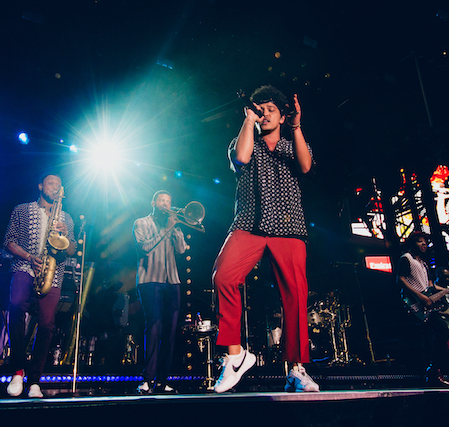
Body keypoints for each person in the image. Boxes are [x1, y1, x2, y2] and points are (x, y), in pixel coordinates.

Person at [212, 85, 319, 393]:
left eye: (270, 109)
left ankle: (297, 369)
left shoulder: (292, 143)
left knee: (295, 294)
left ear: (283, 115)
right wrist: (248, 120)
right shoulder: (245, 140)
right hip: (249, 223)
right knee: (223, 277)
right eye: (259, 109)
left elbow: (306, 165)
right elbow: (241, 157)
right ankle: (235, 356)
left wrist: (297, 126)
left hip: (288, 227)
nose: (264, 113)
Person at [4, 173, 76, 398]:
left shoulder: (66, 217)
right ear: (40, 186)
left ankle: (35, 380)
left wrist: (64, 233)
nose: (55, 187)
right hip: (25, 267)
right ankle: (17, 370)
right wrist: (28, 256)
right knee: (16, 307)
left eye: (58, 185)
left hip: (52, 273)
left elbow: (72, 249)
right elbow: (8, 241)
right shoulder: (22, 210)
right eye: (51, 183)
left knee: (47, 325)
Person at [133, 190, 187, 394]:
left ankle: (163, 381)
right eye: (162, 201)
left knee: (170, 332)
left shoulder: (172, 225)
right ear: (153, 202)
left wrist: (177, 229)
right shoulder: (141, 223)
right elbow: (144, 248)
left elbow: (181, 250)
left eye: (169, 201)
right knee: (154, 328)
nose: (166, 204)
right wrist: (166, 229)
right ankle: (147, 379)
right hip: (150, 281)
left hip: (172, 281)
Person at [397, 232, 449, 387]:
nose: (423, 244)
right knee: (440, 330)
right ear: (412, 243)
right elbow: (400, 279)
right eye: (420, 241)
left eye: (425, 242)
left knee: (436, 334)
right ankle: (432, 371)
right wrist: (420, 297)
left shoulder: (425, 264)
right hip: (415, 303)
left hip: (427, 304)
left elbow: (431, 287)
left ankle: (434, 371)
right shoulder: (406, 258)